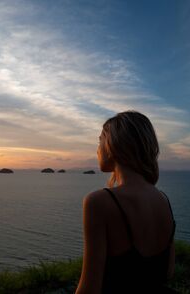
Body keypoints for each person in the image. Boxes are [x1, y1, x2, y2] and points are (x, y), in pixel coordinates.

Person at [75, 111, 177, 294]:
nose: (97, 149)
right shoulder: (163, 200)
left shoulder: (98, 202)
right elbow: (167, 273)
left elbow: (89, 289)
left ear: (112, 144)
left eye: (99, 141)